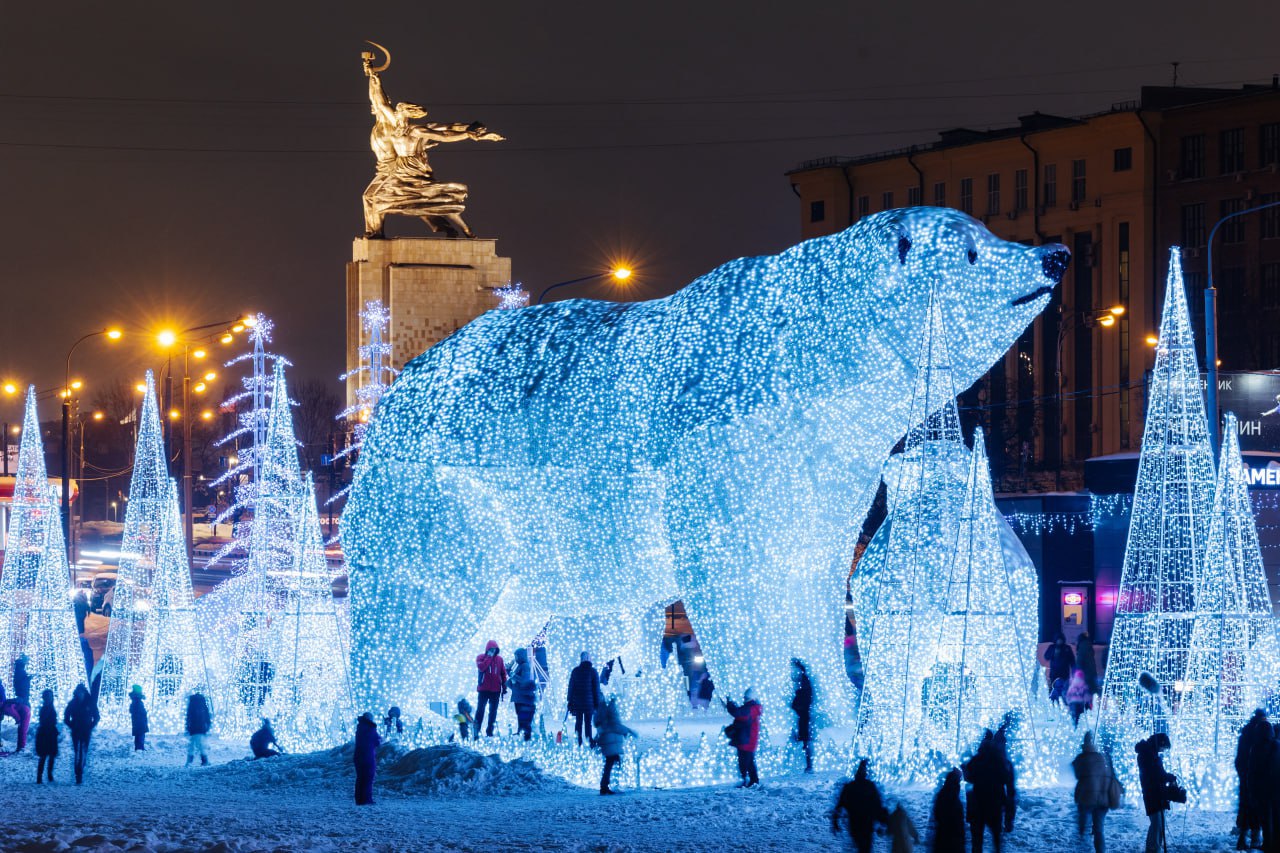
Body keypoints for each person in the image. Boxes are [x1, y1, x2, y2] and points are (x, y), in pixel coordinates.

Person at [964, 730, 1014, 852]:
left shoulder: (976, 760)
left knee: (977, 838)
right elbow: (1007, 780)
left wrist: (965, 770)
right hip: (994, 803)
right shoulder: (1000, 762)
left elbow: (969, 778)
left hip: (978, 804)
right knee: (996, 836)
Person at [831, 759, 888, 853]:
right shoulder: (870, 786)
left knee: (861, 845)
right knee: (865, 847)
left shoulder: (850, 787)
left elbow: (840, 805)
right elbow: (877, 805)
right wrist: (883, 820)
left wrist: (835, 821)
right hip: (867, 823)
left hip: (855, 823)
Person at [1136, 732, 1178, 853]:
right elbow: (1156, 774)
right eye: (1163, 748)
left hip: (1155, 792)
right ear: (1160, 743)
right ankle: (1153, 849)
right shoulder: (1148, 755)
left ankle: (1152, 848)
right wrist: (1170, 777)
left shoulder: (1150, 753)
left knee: (1157, 823)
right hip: (1152, 793)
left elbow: (1158, 773)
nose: (1163, 750)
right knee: (1157, 823)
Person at [1072, 731, 1111, 853]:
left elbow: (1078, 775)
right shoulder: (1101, 758)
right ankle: (1100, 850)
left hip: (1087, 797)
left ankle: (1083, 844)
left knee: (1083, 824)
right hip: (1102, 799)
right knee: (1099, 829)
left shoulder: (1080, 759)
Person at [1236, 710, 1269, 850]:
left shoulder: (1246, 733)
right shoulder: (1261, 735)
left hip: (1247, 777)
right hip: (1256, 778)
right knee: (1256, 808)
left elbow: (1239, 759)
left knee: (1245, 807)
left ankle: (1243, 838)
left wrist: (1243, 774)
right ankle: (1254, 838)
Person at [594, 696, 637, 795]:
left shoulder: (601, 715)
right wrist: (629, 731)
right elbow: (616, 726)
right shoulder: (610, 716)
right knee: (611, 763)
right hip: (611, 744)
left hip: (608, 743)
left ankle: (607, 785)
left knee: (611, 763)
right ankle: (606, 786)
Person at [63, 682, 99, 784]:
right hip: (76, 730)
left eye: (81, 692)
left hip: (86, 731)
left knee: (83, 751)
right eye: (78, 692)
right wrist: (72, 725)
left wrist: (90, 726)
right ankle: (77, 774)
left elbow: (96, 716)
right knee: (77, 752)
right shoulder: (72, 703)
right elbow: (66, 717)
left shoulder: (90, 703)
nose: (80, 694)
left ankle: (81, 770)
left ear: (84, 692)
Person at [728, 688, 763, 788]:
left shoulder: (751, 708)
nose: (744, 699)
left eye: (746, 697)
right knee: (748, 761)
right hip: (746, 738)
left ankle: (750, 781)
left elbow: (738, 714)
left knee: (745, 762)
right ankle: (751, 781)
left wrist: (731, 706)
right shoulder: (752, 707)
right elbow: (739, 713)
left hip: (747, 739)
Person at [566, 651, 601, 747]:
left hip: (577, 702)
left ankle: (578, 741)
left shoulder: (575, 671)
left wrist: (569, 701)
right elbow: (596, 689)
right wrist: (597, 704)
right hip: (589, 703)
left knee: (578, 722)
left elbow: (571, 687)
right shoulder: (593, 672)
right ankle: (589, 740)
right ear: (589, 659)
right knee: (588, 723)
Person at [474, 640, 506, 738]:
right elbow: (482, 668)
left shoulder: (500, 659)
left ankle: (490, 732)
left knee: (493, 712)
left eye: (494, 649)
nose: (493, 651)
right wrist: (488, 657)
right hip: (483, 689)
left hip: (495, 690)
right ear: (487, 649)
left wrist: (504, 687)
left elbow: (503, 673)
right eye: (491, 649)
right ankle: (476, 731)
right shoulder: (480, 658)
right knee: (480, 710)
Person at [930, 768, 966, 853]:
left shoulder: (943, 794)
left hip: (943, 835)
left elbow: (937, 814)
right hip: (951, 837)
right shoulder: (952, 797)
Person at [509, 647, 538, 741]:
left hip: (521, 695)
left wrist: (514, 675)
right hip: (518, 695)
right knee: (520, 714)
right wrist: (509, 671)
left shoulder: (525, 666)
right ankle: (521, 730)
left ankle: (525, 734)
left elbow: (524, 680)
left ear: (520, 656)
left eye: (516, 656)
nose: (515, 658)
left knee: (522, 715)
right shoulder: (520, 665)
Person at [791, 659, 814, 773]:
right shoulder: (803, 684)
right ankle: (807, 765)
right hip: (803, 716)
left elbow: (804, 700)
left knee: (806, 741)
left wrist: (797, 706)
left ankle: (809, 766)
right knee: (805, 741)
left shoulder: (804, 684)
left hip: (805, 717)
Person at [354, 711, 381, 805]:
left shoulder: (360, 728)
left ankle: (359, 799)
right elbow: (377, 741)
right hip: (368, 756)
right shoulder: (371, 729)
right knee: (368, 778)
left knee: (360, 778)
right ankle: (366, 799)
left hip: (358, 756)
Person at [34, 689, 58, 784]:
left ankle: (47, 775)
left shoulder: (49, 707)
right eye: (48, 697)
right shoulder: (45, 708)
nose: (49, 698)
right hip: (45, 733)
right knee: (44, 755)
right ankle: (42, 776)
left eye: (50, 697)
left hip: (50, 733)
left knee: (50, 755)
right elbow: (44, 720)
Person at [185, 691, 213, 766]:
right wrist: (207, 726)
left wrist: (188, 727)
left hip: (194, 728)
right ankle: (204, 760)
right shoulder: (203, 707)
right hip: (200, 728)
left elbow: (189, 717)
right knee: (199, 744)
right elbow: (207, 717)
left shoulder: (192, 706)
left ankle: (191, 761)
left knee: (194, 744)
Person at [11, 653, 32, 752]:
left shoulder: (19, 671)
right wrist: (27, 679)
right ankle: (21, 747)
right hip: (23, 701)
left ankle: (20, 746)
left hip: (22, 699)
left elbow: (19, 683)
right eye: (26, 661)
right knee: (24, 726)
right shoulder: (20, 671)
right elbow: (21, 685)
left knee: (22, 726)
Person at [1076, 631, 1100, 696]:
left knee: (1086, 691)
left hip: (1085, 673)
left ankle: (1088, 705)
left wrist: (1078, 673)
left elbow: (1080, 661)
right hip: (1091, 672)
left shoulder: (1082, 647)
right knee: (1093, 689)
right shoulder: (1088, 645)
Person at [128, 685, 148, 751]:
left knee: (139, 734)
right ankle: (140, 747)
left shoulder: (136, 700)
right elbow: (136, 710)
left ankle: (139, 747)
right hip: (140, 720)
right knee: (140, 734)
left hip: (138, 720)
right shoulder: (137, 701)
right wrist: (143, 713)